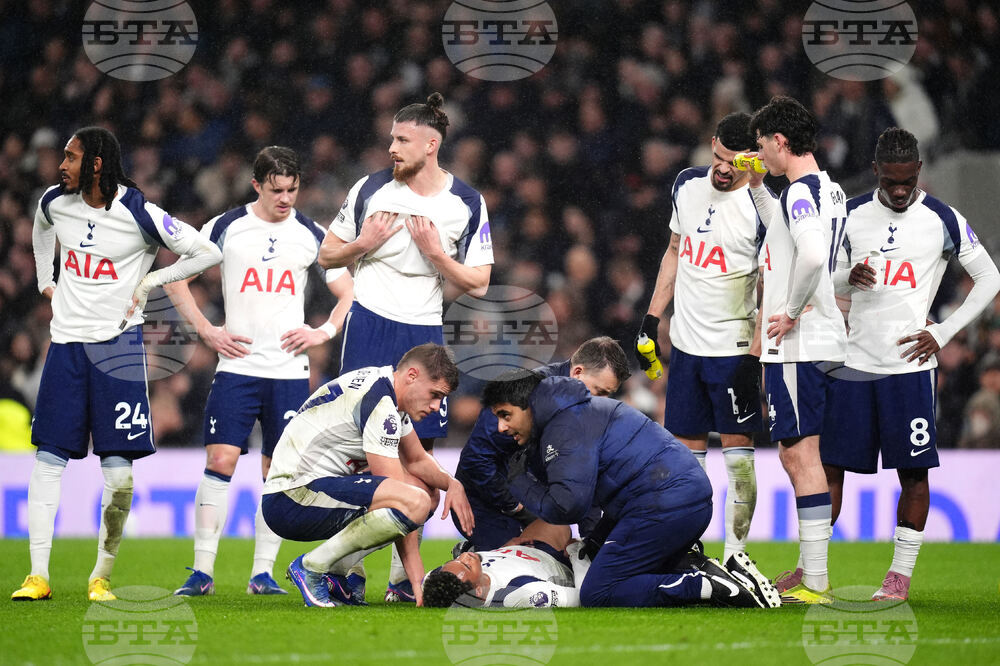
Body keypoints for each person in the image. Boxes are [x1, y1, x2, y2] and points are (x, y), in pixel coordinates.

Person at [14, 127, 222, 602]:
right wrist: (47, 281)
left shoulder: (138, 211)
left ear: (96, 164)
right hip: (65, 346)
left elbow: (206, 251)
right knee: (48, 459)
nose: (60, 165)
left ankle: (100, 576)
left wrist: (152, 281)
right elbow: (40, 229)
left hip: (118, 353)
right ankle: (37, 575)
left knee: (120, 475)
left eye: (70, 157)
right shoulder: (54, 201)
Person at [318, 92, 493, 600]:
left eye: (402, 139)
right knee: (356, 454)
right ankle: (348, 570)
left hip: (422, 331)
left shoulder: (465, 202)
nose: (391, 147)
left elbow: (479, 282)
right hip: (368, 324)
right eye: (391, 138)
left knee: (421, 456)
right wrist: (360, 247)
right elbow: (328, 255)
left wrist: (437, 254)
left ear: (431, 144)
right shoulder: (370, 188)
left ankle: (400, 580)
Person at [164, 146, 354, 597]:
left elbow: (349, 291)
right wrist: (207, 331)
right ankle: (202, 572)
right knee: (221, 460)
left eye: (292, 189)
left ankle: (261, 574)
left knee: (276, 473)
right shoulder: (227, 227)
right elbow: (175, 278)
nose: (285, 198)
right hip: (237, 367)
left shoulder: (311, 234)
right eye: (276, 190)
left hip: (289, 372)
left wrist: (324, 331)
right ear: (256, 185)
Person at [825, 128, 1000, 600]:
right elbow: (819, 274)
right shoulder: (850, 213)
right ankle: (811, 572)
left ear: (918, 171)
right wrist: (845, 276)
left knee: (914, 474)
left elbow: (990, 277)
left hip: (909, 368)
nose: (899, 190)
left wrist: (942, 333)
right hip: (854, 364)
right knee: (831, 470)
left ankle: (898, 578)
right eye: (891, 181)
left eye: (907, 181)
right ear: (878, 170)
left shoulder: (942, 217)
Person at [482, 371, 780, 609]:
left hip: (664, 504)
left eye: (505, 415)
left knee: (597, 594)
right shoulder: (571, 414)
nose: (500, 427)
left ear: (529, 406)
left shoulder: (565, 426)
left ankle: (709, 585)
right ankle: (699, 566)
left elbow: (569, 506)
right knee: (592, 554)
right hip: (669, 500)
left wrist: (518, 481)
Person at [636, 112, 764, 565]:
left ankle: (737, 556)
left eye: (735, 162)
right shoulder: (687, 184)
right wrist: (653, 317)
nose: (724, 169)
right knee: (687, 468)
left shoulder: (764, 205)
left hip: (733, 349)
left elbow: (771, 285)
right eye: (719, 157)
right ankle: (689, 548)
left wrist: (755, 355)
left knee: (739, 462)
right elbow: (674, 251)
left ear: (756, 159)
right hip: (686, 348)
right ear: (711, 145)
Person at [260, 343, 474, 607]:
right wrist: (418, 577)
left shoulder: (386, 391)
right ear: (412, 376)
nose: (435, 406)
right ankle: (312, 567)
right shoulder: (380, 404)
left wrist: (453, 484)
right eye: (434, 394)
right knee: (415, 500)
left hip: (308, 489)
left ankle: (336, 574)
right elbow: (400, 497)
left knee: (427, 492)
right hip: (292, 497)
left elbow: (418, 460)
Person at [747, 96, 848, 604]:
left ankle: (816, 582)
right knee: (805, 455)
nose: (760, 153)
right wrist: (760, 189)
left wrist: (787, 310)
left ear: (780, 142)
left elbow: (810, 256)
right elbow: (794, 239)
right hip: (824, 341)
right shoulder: (828, 190)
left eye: (763, 144)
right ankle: (812, 575)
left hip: (798, 345)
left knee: (799, 456)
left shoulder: (801, 194)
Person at [455, 336, 630, 551]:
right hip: (481, 503)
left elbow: (585, 477)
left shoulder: (582, 411)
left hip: (529, 499)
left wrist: (591, 540)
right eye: (600, 391)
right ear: (577, 373)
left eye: (608, 395)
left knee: (558, 558)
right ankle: (469, 555)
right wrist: (515, 505)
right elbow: (476, 459)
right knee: (518, 563)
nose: (601, 401)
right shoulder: (523, 393)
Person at [423, 520, 591, 608]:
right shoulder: (521, 593)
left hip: (518, 548)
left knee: (554, 513)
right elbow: (584, 597)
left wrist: (503, 551)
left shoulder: (442, 580)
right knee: (561, 515)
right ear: (478, 590)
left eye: (457, 559)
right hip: (554, 558)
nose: (465, 556)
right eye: (466, 565)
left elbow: (427, 580)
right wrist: (577, 555)